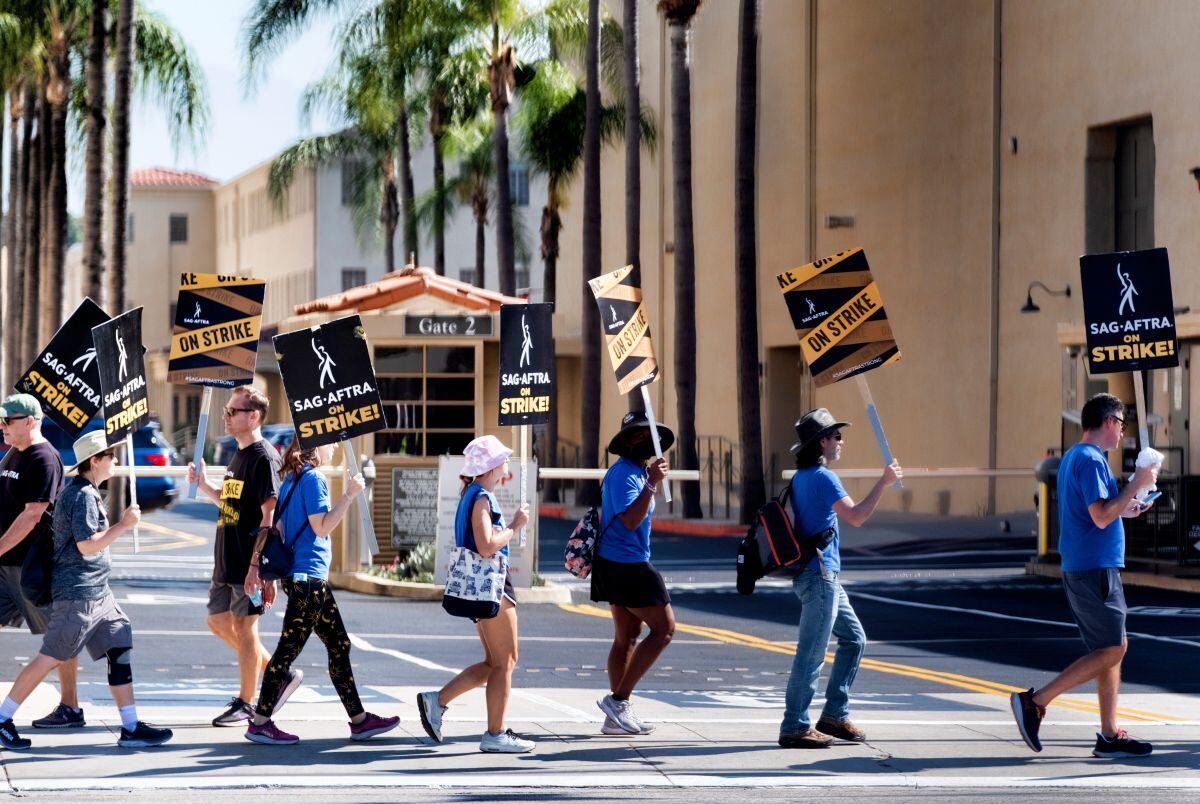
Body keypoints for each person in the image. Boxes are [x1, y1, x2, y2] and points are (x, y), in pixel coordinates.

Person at [0, 431, 171, 750]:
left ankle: (131, 726)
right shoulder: (82, 496)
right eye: (111, 456)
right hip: (78, 593)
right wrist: (123, 525)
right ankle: (3, 718)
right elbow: (86, 546)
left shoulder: (86, 491)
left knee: (119, 648)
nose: (116, 461)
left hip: (99, 594)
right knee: (50, 656)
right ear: (96, 460)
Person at [1011, 392, 1157, 758]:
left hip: (1089, 565)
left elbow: (1103, 508)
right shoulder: (1091, 459)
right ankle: (1036, 702)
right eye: (1122, 425)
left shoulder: (1078, 457)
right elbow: (1101, 515)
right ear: (1109, 421)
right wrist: (1138, 480)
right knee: (1114, 648)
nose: (1122, 433)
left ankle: (1109, 735)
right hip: (1094, 568)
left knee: (1110, 650)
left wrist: (1130, 506)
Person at [242, 440, 399, 745]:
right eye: (333, 444)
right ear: (318, 447)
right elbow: (322, 527)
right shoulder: (314, 478)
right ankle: (260, 722)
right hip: (308, 579)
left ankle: (360, 720)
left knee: (339, 644)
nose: (336, 449)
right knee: (286, 652)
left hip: (303, 577)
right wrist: (350, 495)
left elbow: (282, 527)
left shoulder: (292, 478)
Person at [778, 408, 902, 749]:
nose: (841, 441)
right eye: (836, 435)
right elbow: (858, 516)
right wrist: (884, 481)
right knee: (812, 653)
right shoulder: (822, 477)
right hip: (820, 576)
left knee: (854, 638)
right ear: (822, 442)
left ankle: (833, 714)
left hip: (818, 574)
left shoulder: (802, 476)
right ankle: (795, 725)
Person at [417, 435, 533, 753]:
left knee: (494, 661)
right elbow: (486, 546)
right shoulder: (482, 497)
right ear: (493, 466)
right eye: (503, 460)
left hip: (477, 585)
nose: (507, 465)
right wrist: (515, 525)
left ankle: (436, 702)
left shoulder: (470, 493)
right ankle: (495, 734)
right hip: (492, 583)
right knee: (506, 661)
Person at [187, 386, 295, 726]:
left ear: (254, 416)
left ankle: (248, 702)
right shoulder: (239, 455)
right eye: (227, 411)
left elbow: (270, 517)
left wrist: (260, 569)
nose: (226, 416)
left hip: (248, 562)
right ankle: (279, 674)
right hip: (226, 559)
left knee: (246, 629)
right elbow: (232, 501)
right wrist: (204, 486)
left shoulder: (264, 458)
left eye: (233, 411)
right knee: (218, 621)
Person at [0, 394, 83, 730]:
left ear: (30, 422)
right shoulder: (12, 454)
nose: (2, 427)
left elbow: (33, 515)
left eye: (8, 421)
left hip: (30, 567)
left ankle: (70, 706)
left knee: (58, 638)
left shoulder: (44, 458)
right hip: (6, 565)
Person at [591, 412, 673, 736]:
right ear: (626, 441)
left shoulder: (636, 472)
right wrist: (652, 483)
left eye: (647, 435)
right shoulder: (626, 473)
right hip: (627, 564)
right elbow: (629, 520)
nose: (644, 440)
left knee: (626, 637)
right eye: (636, 435)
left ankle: (616, 716)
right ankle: (618, 700)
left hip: (619, 562)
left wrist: (649, 480)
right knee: (664, 629)